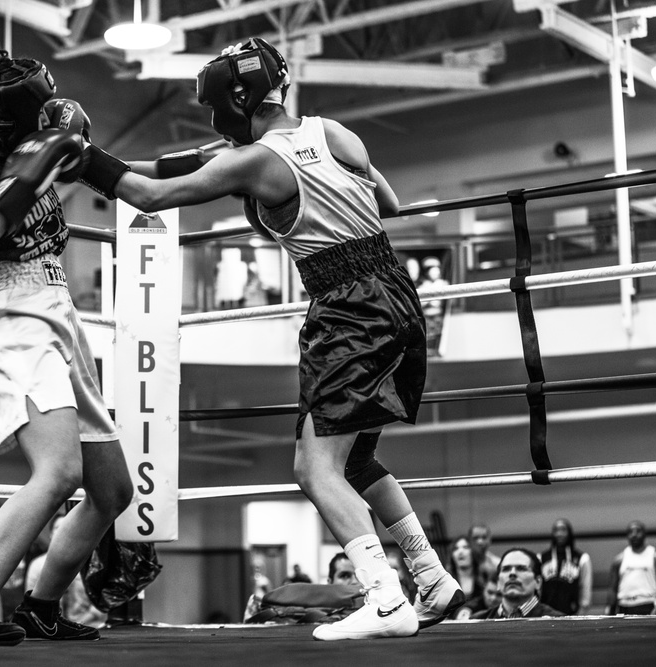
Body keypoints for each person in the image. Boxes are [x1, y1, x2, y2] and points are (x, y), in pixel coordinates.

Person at [77, 36, 464, 640]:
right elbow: (387, 201)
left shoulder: (254, 162)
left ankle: (386, 601)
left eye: (215, 108)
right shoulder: (333, 132)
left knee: (315, 470)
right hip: (395, 293)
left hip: (348, 309)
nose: (213, 119)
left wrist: (74, 154)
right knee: (353, 457)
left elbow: (147, 193)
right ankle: (430, 575)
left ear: (237, 97)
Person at [0, 35, 133, 646]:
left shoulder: (44, 149)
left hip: (60, 314)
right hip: (13, 319)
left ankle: (40, 605)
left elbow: (139, 183)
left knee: (112, 491)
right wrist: (27, 173)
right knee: (57, 473)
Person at [25, 514, 106, 628]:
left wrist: (76, 625)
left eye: (67, 528)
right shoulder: (37, 565)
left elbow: (103, 602)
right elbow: (31, 603)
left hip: (91, 628)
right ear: (50, 534)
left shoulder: (92, 563)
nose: (63, 532)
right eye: (58, 528)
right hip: (50, 631)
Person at [470, 548, 564, 620]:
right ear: (498, 583)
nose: (512, 573)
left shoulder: (558, 621)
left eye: (521, 568)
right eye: (506, 569)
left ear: (538, 582)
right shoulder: (477, 621)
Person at [606, 520, 656, 615]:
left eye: (638, 531)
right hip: (625, 605)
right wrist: (609, 610)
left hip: (648, 604)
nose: (634, 535)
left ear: (644, 534)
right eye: (630, 532)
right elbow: (612, 589)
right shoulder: (619, 560)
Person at [540, 518, 592, 615]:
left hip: (571, 612)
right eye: (556, 530)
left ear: (569, 533)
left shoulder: (582, 558)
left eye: (563, 530)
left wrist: (582, 611)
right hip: (545, 613)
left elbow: (585, 587)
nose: (559, 534)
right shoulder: (542, 558)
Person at [445, 536, 486, 619]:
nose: (460, 552)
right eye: (455, 549)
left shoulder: (485, 577)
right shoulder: (445, 581)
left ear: (473, 552)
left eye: (465, 547)